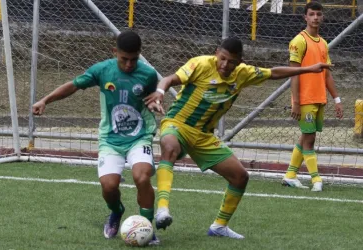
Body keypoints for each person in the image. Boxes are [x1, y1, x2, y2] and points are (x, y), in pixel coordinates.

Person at [143, 37, 333, 239]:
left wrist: (309, 69)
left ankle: (219, 227)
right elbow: (170, 79)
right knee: (169, 145)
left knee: (240, 177)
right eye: (222, 59)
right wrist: (160, 91)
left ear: (239, 61)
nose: (225, 65)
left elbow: (274, 73)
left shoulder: (243, 74)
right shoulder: (200, 64)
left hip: (205, 136)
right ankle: (162, 209)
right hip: (178, 123)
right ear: (217, 53)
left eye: (231, 61)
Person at [32, 31, 162, 244]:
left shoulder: (148, 74)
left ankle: (147, 229)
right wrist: (45, 100)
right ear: (115, 52)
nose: (129, 64)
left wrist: (154, 103)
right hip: (110, 139)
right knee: (109, 187)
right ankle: (116, 212)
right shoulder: (102, 70)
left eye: (134, 59)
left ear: (139, 54)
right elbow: (74, 85)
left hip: (139, 136)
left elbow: (151, 98)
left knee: (142, 176)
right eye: (124, 59)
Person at [282, 1, 343, 192]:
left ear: (322, 17)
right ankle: (316, 179)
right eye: (312, 14)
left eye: (318, 14)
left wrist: (337, 99)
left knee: (305, 137)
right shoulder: (298, 41)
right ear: (305, 17)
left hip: (319, 98)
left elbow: (327, 74)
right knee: (310, 139)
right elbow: (294, 73)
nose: (315, 17)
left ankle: (290, 175)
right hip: (305, 99)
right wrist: (296, 102)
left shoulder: (323, 43)